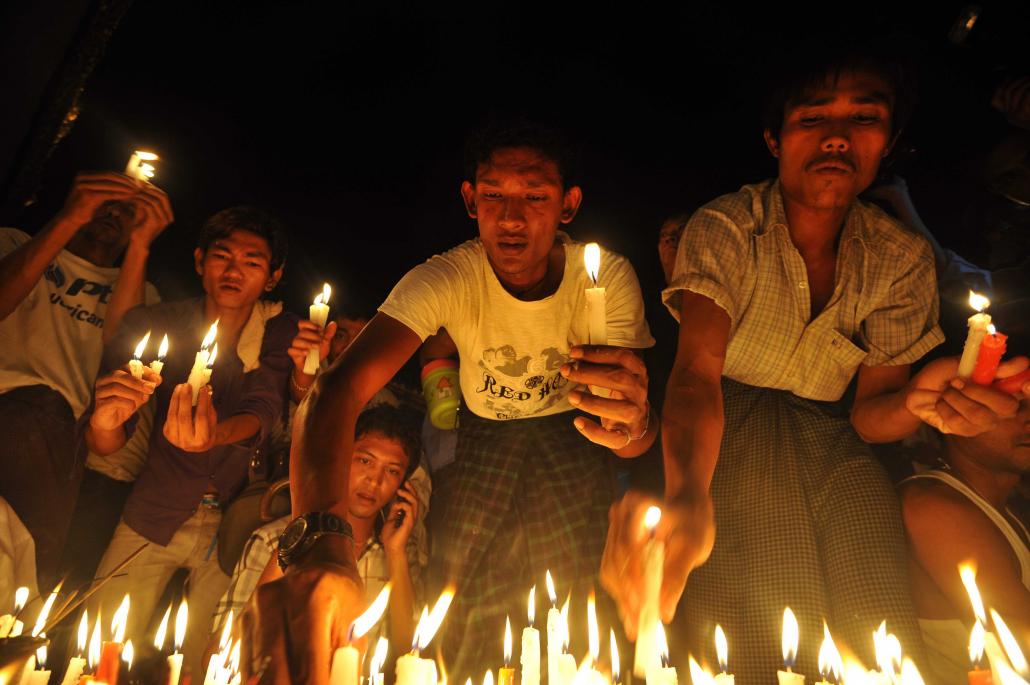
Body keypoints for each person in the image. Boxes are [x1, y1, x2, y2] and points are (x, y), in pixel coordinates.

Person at [601, 43, 1030, 679]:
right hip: (725, 432)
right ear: (774, 139)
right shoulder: (726, 227)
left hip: (835, 442)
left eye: (863, 118)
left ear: (889, 139)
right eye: (812, 119)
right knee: (753, 627)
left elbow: (868, 415)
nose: (836, 138)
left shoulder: (900, 257)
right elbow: (695, 376)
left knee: (868, 613)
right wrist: (689, 493)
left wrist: (917, 405)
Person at [245, 120, 656, 682]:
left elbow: (633, 436)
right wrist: (321, 540)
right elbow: (336, 391)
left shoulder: (604, 277)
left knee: (572, 596)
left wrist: (634, 426)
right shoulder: (446, 277)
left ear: (568, 204)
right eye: (494, 196)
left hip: (570, 440)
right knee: (460, 593)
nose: (512, 218)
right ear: (470, 199)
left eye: (535, 196)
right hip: (484, 438)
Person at [84, 206, 296, 679]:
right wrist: (103, 421)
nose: (234, 270)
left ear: (273, 277)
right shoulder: (154, 324)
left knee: (210, 663)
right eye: (222, 256)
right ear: (200, 261)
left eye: (252, 261)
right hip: (155, 508)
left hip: (234, 525)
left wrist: (215, 435)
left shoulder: (277, 329)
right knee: (101, 648)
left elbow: (263, 407)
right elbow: (107, 439)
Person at [0, 170, 171, 584]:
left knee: (16, 574)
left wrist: (140, 246)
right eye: (106, 201)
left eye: (128, 211)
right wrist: (69, 219)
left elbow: (121, 348)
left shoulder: (139, 291)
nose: (113, 213)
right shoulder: (15, 243)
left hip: (58, 439)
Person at [212, 404, 427, 659]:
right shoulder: (272, 541)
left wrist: (395, 553)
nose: (374, 481)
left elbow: (410, 656)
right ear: (339, 459)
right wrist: (293, 546)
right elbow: (217, 658)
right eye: (365, 460)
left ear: (402, 487)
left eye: (392, 471)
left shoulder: (396, 552)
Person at [900, 385, 1030, 685]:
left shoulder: (999, 507)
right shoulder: (938, 510)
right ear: (952, 413)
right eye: (1011, 405)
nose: (1028, 419)